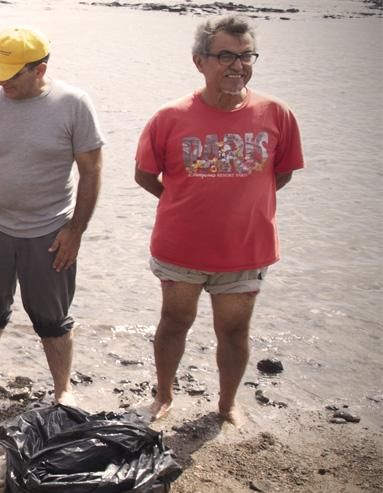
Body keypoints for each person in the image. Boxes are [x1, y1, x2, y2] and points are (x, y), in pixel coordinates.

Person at [135, 15, 303, 426]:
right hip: (180, 248)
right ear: (200, 61)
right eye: (225, 55)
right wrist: (183, 201)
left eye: (246, 56)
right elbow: (144, 174)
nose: (237, 65)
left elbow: (281, 173)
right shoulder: (170, 117)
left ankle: (227, 404)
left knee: (234, 331)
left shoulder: (276, 113)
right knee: (175, 322)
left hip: (245, 248)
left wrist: (241, 206)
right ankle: (163, 396)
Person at [0, 27, 104, 404]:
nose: (1, 80)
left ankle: (62, 389)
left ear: (39, 69)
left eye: (11, 73)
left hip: (50, 230)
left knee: (51, 317)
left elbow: (92, 171)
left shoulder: (73, 103)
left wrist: (76, 230)